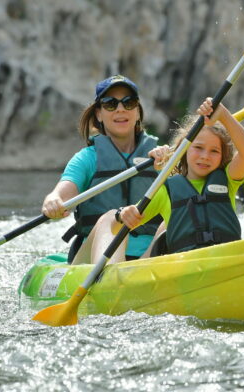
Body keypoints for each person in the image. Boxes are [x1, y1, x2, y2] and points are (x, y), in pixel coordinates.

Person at [99, 96, 244, 263]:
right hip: (185, 269)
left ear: (223, 156)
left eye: (214, 151)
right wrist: (124, 214)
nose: (205, 156)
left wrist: (223, 114)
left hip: (226, 263)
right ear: (184, 150)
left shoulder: (228, 179)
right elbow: (126, 223)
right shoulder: (166, 190)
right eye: (198, 147)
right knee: (111, 219)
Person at [42, 75, 168, 264]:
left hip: (150, 256)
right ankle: (110, 279)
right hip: (94, 257)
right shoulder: (87, 159)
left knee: (171, 224)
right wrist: (53, 201)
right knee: (112, 218)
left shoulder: (160, 157)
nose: (120, 109)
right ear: (99, 114)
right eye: (110, 103)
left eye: (129, 102)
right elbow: (62, 193)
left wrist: (170, 167)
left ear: (137, 112)